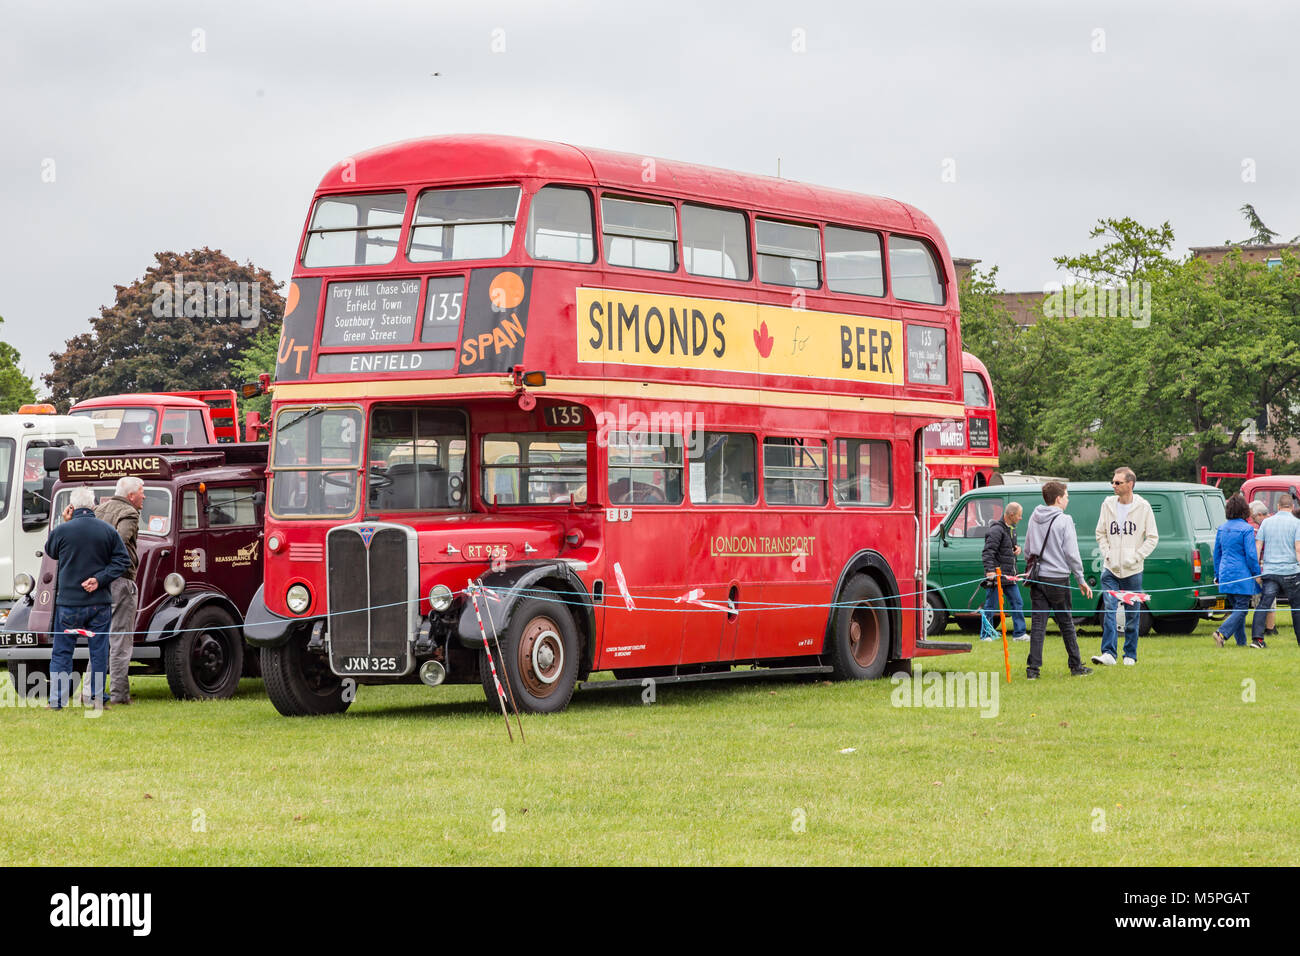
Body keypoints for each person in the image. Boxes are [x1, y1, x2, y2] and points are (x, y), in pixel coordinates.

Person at [44, 486, 130, 709]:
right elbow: (123, 562)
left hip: (68, 605)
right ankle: (98, 699)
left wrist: (64, 522)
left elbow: (51, 551)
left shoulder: (63, 531)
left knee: (62, 652)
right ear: (93, 505)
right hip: (98, 604)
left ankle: (57, 701)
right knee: (99, 652)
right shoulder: (107, 530)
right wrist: (100, 579)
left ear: (71, 507)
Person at [1022, 481, 1094, 679]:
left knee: (1038, 625)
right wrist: (1080, 577)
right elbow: (1071, 553)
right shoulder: (1065, 520)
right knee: (1066, 623)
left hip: (1037, 577)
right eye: (1067, 496)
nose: (1068, 499)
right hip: (1058, 579)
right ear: (1058, 499)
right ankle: (1076, 665)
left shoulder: (1034, 518)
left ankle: (1033, 670)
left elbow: (1027, 549)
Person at [1093, 467, 1159, 666]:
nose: (1113, 485)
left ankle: (1130, 654)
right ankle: (1108, 653)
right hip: (1110, 569)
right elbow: (1100, 533)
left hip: (1133, 570)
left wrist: (1137, 557)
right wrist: (1108, 554)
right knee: (1109, 610)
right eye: (1112, 482)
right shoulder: (1107, 504)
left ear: (1129, 484)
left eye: (1118, 482)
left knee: (1133, 613)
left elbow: (1153, 538)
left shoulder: (1143, 507)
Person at [94, 476, 143, 705]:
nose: (144, 496)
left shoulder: (98, 510)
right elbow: (120, 544)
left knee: (98, 637)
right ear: (131, 495)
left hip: (96, 581)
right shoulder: (130, 513)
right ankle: (119, 694)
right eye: (142, 492)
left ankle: (90, 691)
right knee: (121, 639)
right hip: (120, 580)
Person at [1250, 490, 1300, 649]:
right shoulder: (1297, 523)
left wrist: (1257, 569)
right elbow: (1298, 548)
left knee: (1263, 604)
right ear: (1292, 507)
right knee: (1296, 607)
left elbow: (1258, 546)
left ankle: (1257, 639)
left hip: (1270, 572)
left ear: (1278, 506)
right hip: (1291, 572)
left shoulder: (1266, 522)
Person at [1211, 494, 1261, 647]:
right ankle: (1221, 633)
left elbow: (1217, 554)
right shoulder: (1246, 529)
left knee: (1237, 609)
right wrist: (1256, 573)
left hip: (1225, 573)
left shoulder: (1222, 528)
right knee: (1242, 609)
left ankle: (1241, 643)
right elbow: (1251, 555)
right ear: (1244, 510)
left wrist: (1217, 575)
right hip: (1241, 574)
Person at [979, 501, 1026, 642]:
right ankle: (985, 635)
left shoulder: (1011, 528)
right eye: (1019, 515)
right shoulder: (996, 530)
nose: (1020, 518)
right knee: (991, 605)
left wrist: (1018, 548)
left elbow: (1008, 548)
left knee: (1017, 602)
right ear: (1011, 515)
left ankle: (1019, 634)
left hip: (1009, 576)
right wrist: (990, 571)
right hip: (996, 576)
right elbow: (988, 552)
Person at [1248, 500, 1274, 633]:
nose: (1253, 521)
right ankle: (1271, 627)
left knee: (1261, 599)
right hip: (1274, 566)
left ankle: (1263, 628)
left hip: (1264, 566)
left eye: (1253, 517)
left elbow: (1256, 550)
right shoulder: (1274, 522)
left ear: (1259, 514)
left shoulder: (1261, 529)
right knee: (1271, 598)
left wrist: (1257, 572)